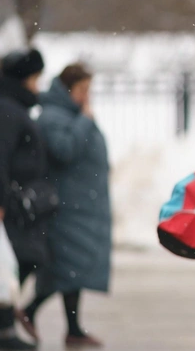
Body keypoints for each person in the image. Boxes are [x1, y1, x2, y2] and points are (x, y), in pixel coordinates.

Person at [15, 63, 111, 347]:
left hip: (81, 205)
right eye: (82, 90)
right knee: (66, 268)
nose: (86, 96)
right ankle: (30, 311)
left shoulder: (67, 114)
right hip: (68, 206)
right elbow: (64, 151)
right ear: (68, 89)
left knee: (72, 269)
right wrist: (84, 120)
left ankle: (71, 328)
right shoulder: (53, 116)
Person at [0, 49, 48, 350]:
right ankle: (5, 330)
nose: (37, 86)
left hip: (18, 199)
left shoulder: (13, 106)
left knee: (18, 261)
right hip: (11, 201)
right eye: (35, 78)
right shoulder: (8, 109)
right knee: (20, 260)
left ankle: (6, 327)